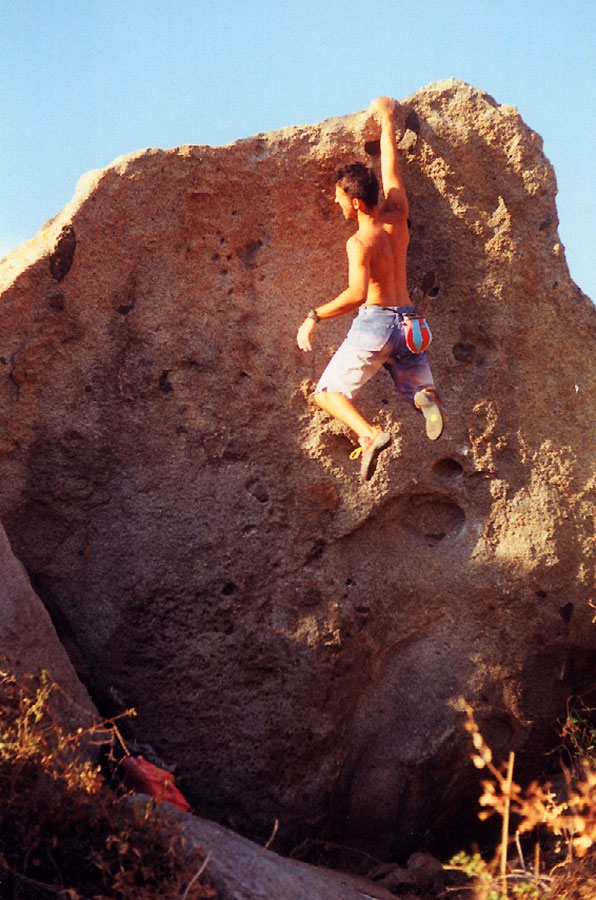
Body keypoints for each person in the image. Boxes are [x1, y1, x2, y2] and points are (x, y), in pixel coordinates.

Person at [296, 95, 442, 481]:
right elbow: (391, 170)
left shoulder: (360, 243)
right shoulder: (397, 216)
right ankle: (421, 393)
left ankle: (370, 434)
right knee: (410, 378)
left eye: (340, 198)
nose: (336, 202)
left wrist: (314, 317)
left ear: (357, 203)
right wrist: (387, 120)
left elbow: (356, 295)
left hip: (376, 325)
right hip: (411, 326)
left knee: (327, 393)